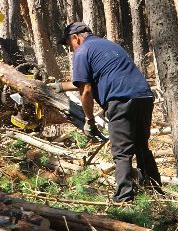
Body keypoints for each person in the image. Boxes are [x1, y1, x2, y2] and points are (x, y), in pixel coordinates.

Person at [52, 21, 162, 203]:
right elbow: (88, 79)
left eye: (69, 45)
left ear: (75, 38)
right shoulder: (107, 46)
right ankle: (154, 188)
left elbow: (86, 89)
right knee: (141, 145)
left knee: (121, 151)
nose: (70, 50)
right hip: (144, 96)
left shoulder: (81, 51)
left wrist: (89, 120)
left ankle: (123, 197)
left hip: (120, 99)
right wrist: (58, 87)